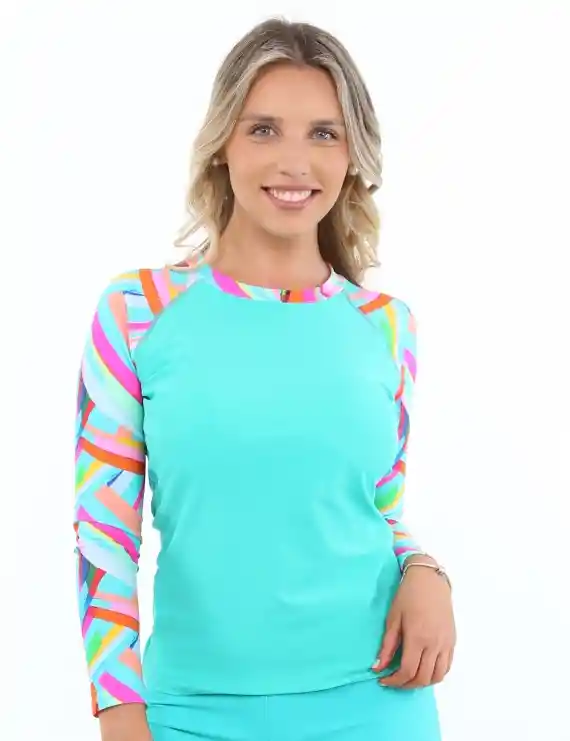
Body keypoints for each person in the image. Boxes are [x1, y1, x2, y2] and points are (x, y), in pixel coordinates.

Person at [73, 16, 456, 741]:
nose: (294, 161)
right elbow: (103, 533)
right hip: (194, 710)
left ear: (353, 155)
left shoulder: (387, 327)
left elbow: (376, 507)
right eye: (263, 130)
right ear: (223, 143)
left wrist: (427, 571)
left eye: (324, 133)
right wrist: (119, 713)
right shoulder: (136, 312)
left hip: (376, 700)